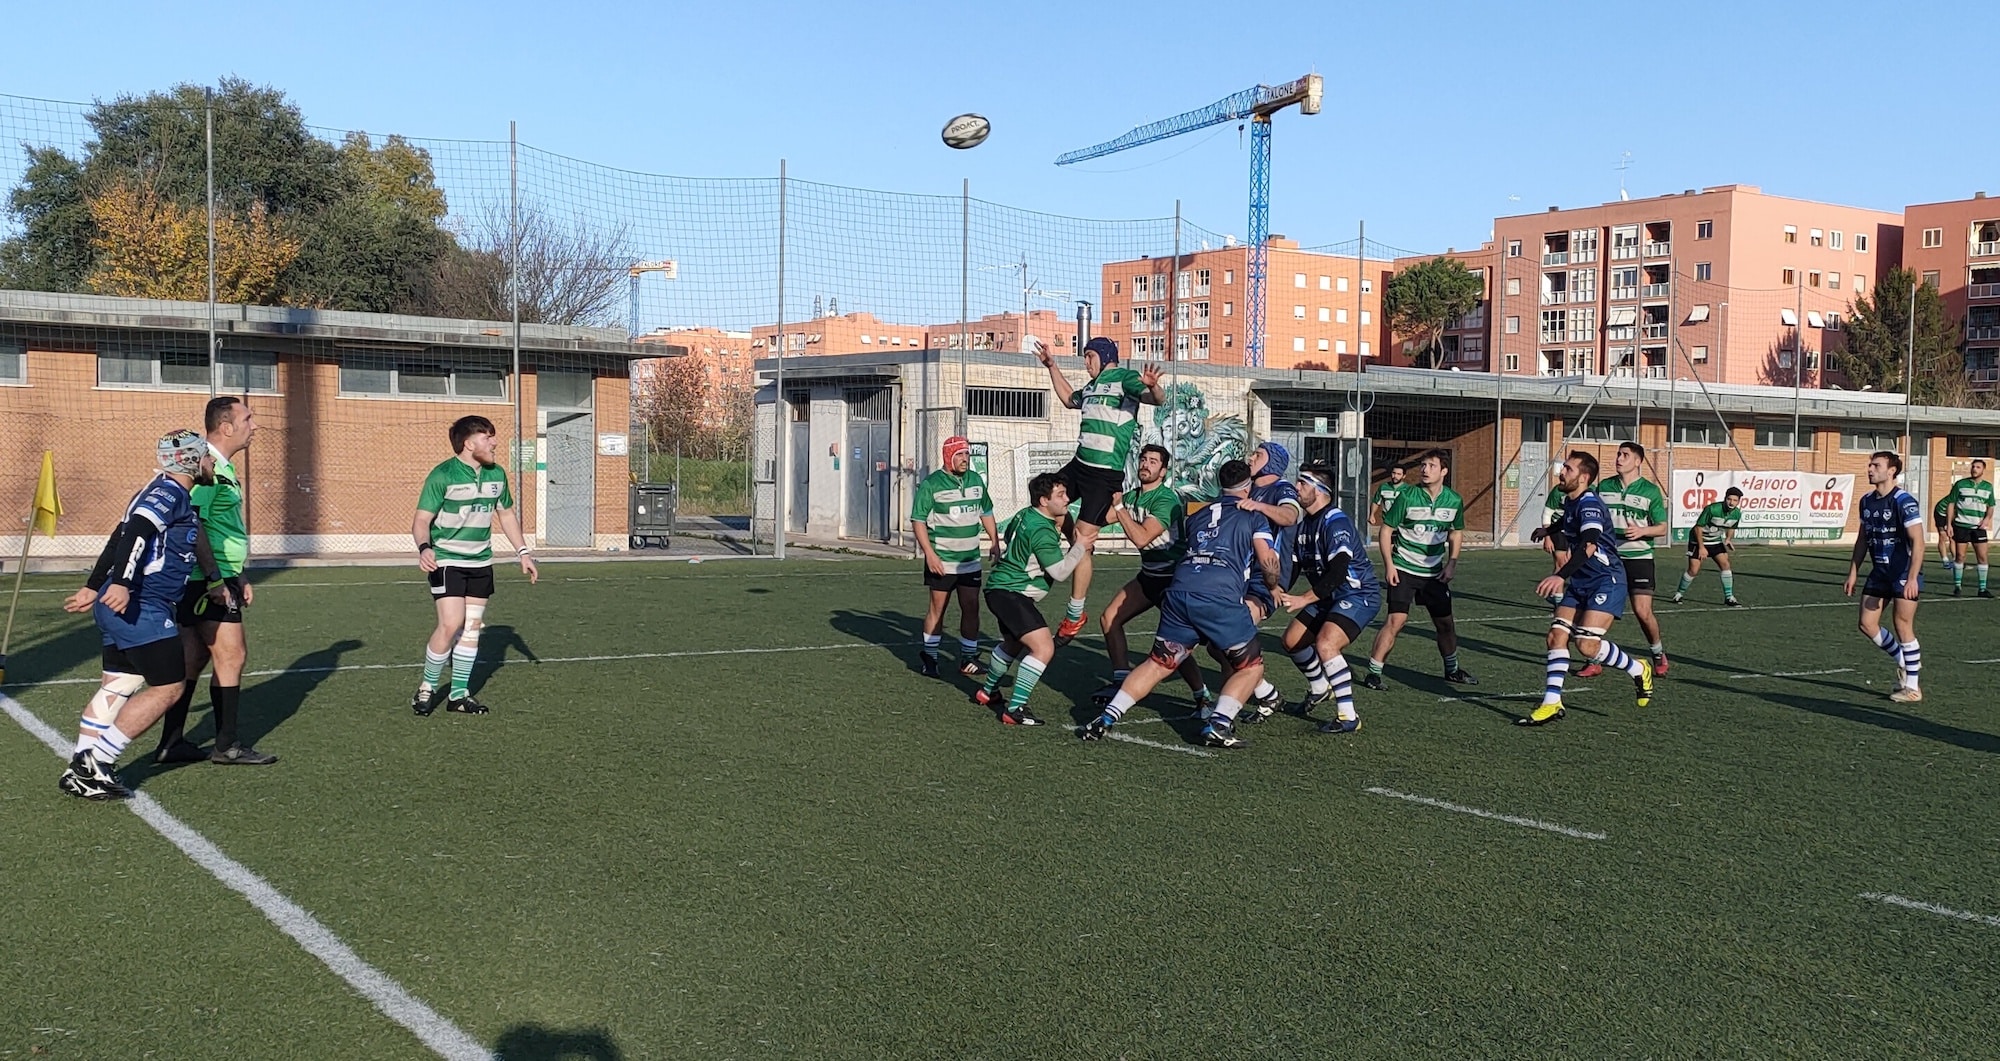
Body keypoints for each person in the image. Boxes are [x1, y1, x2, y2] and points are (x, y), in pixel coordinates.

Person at [56, 431, 230, 800]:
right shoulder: (169, 493)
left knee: (118, 684)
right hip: (141, 605)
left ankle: (80, 767)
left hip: (123, 604)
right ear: (191, 460)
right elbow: (135, 532)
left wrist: (94, 585)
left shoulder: (158, 491)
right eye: (207, 456)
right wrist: (119, 582)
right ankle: (96, 764)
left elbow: (119, 535)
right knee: (169, 687)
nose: (212, 463)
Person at [1081, 460, 1279, 749]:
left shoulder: (1197, 516)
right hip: (1217, 595)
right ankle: (1219, 723)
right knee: (1250, 667)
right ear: (1247, 488)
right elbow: (1267, 561)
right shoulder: (1253, 515)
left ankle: (1108, 716)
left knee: (1158, 663)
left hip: (1180, 589)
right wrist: (1273, 586)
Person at [153, 396, 275, 766]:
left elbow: (219, 526)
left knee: (193, 656)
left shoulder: (218, 465)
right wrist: (216, 578)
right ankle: (227, 745)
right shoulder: (208, 468)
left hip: (210, 576)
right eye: (248, 418)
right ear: (225, 426)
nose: (254, 425)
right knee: (231, 654)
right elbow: (195, 523)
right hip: (206, 579)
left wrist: (239, 573)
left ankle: (171, 742)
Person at [1031, 335, 1165, 646]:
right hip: (1079, 465)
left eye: (1089, 355)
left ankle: (1075, 613)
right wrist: (1052, 366)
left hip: (1104, 474)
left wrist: (1153, 386)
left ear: (1105, 356)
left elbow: (1157, 399)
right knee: (1042, 494)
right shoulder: (1091, 386)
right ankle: (1081, 546)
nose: (1085, 361)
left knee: (1082, 537)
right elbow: (1068, 399)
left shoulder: (1124, 379)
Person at [410, 415, 538, 716]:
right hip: (448, 561)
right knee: (451, 623)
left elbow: (506, 515)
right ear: (469, 443)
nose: (494, 442)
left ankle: (458, 695)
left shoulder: (497, 475)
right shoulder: (443, 475)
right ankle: (426, 688)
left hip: (481, 562)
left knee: (471, 628)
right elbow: (421, 520)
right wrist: (424, 548)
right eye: (487, 437)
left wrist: (523, 552)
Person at [1519, 451, 1655, 726]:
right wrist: (1548, 530)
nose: (1561, 472)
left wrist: (1560, 575)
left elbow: (1589, 544)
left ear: (1583, 477)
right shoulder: (1572, 501)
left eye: (1567, 469)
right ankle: (1552, 702)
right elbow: (1568, 520)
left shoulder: (1590, 504)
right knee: (1555, 637)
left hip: (1607, 580)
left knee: (1586, 645)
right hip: (1582, 580)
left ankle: (1638, 668)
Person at [1090, 444, 1215, 713]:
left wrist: (1120, 507)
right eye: (1143, 459)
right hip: (1150, 577)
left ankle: (1202, 696)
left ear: (1163, 470)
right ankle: (1120, 681)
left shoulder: (1164, 499)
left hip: (1174, 580)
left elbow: (1141, 537)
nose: (1146, 465)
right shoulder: (1134, 496)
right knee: (1109, 618)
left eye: (1153, 461)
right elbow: (1099, 519)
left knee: (1174, 644)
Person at [972, 473, 1091, 725]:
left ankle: (988, 691)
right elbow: (1059, 573)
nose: (1067, 499)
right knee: (1044, 648)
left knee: (1013, 644)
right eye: (1060, 495)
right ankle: (1015, 709)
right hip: (1010, 593)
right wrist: (1079, 545)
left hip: (1000, 589)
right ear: (1043, 501)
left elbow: (1010, 538)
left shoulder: (1025, 514)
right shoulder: (1041, 531)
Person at [1272, 461, 1381, 735]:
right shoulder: (1304, 525)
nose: (1296, 487)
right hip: (1328, 596)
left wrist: (1303, 599)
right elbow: (1294, 568)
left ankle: (1348, 716)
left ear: (1320, 491)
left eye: (1302, 483)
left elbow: (1339, 571)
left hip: (1357, 594)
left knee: (1326, 644)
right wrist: (1273, 591)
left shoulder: (1336, 521)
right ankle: (1320, 688)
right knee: (1291, 641)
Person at [1362, 451, 1476, 690]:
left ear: (1444, 471)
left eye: (1431, 465)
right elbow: (1386, 530)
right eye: (1423, 465)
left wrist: (1452, 562)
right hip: (1403, 567)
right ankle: (1373, 673)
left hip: (1434, 573)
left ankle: (1452, 670)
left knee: (1445, 624)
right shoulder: (1407, 495)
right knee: (1396, 620)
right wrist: (1389, 565)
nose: (1425, 469)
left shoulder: (1454, 500)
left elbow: (1456, 531)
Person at [910, 435, 1001, 678]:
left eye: (967, 454)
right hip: (942, 561)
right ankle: (930, 657)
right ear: (948, 456)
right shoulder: (932, 484)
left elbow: (987, 511)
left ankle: (968, 659)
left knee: (971, 607)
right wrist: (929, 555)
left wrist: (994, 541)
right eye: (960, 454)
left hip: (969, 561)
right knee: (937, 609)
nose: (965, 459)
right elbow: (917, 521)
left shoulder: (975, 480)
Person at [1843, 451, 1925, 703]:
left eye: (1875, 465)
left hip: (1902, 572)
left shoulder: (1903, 501)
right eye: (1869, 465)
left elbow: (1919, 542)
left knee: (1902, 625)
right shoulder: (1866, 500)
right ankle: (1904, 660)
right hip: (1879, 571)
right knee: (1866, 624)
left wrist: (1912, 578)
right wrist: (1853, 572)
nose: (1870, 469)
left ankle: (1913, 687)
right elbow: (1862, 540)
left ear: (1892, 471)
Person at [1238, 441, 1305, 720]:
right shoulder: (1248, 488)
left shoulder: (1282, 489)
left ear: (1272, 463)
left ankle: (1222, 712)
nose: (1251, 457)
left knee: (1236, 629)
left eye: (1258, 454)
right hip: (1237, 574)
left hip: (1267, 577)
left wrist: (1258, 507)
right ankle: (1266, 693)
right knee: (1220, 643)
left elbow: (1291, 515)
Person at [1597, 441, 1671, 675]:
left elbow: (1662, 528)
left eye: (1625, 455)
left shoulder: (1650, 491)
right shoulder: (1604, 486)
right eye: (1618, 454)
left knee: (1642, 612)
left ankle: (1658, 652)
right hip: (1609, 559)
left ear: (1638, 461)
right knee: (1599, 609)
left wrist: (1641, 531)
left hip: (1639, 557)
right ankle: (1593, 659)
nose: (1619, 458)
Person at [1673, 487, 1744, 605]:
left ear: (1738, 501)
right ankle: (1679, 594)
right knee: (1693, 570)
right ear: (1725, 498)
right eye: (1729, 499)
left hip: (1715, 541)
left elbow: (1731, 527)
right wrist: (1701, 547)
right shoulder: (1712, 509)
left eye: (1735, 500)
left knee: (1725, 564)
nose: (1731, 502)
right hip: (1697, 541)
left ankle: (1729, 597)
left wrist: (1728, 539)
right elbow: (1697, 528)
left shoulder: (1737, 514)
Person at [1945, 458, 1993, 597]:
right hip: (1961, 525)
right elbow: (1951, 503)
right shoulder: (1960, 484)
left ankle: (1982, 589)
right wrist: (1949, 524)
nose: (1974, 469)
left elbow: (1990, 506)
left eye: (1978, 467)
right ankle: (1957, 587)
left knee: (1983, 557)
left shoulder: (1988, 487)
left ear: (1983, 469)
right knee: (1960, 556)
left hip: (1978, 527)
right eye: (1973, 467)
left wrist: (1987, 519)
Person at [1933, 495, 1960, 578]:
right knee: (1943, 536)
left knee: (1952, 537)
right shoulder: (1956, 498)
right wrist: (1948, 525)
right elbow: (1951, 511)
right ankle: (1945, 561)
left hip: (1952, 515)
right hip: (1941, 513)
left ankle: (1956, 560)